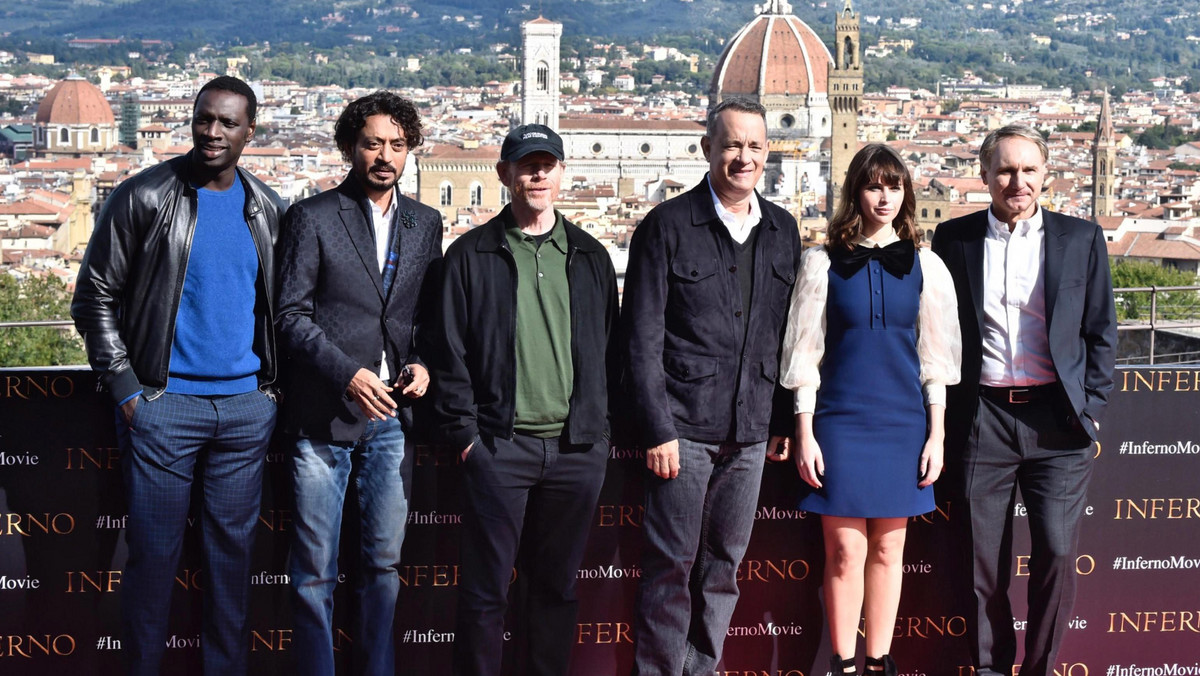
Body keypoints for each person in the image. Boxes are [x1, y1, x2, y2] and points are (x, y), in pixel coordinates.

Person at [71, 75, 285, 675]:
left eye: (226, 123)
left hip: (245, 412)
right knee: (153, 561)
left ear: (250, 131)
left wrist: (267, 396)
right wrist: (130, 395)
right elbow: (94, 299)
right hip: (165, 409)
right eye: (203, 119)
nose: (212, 132)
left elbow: (279, 309)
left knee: (232, 564)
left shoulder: (266, 207)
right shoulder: (143, 196)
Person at [430, 124, 619, 676]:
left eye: (547, 164)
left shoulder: (590, 257)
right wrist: (467, 437)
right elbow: (449, 350)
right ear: (504, 174)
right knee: (485, 594)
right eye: (526, 164)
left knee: (557, 591)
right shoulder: (470, 255)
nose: (538, 174)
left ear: (563, 174)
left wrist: (598, 433)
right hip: (498, 446)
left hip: (575, 450)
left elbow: (610, 351)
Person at [622, 97, 802, 675]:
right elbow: (641, 338)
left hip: (749, 436)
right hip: (681, 432)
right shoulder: (667, 226)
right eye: (731, 144)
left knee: (724, 568)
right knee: (670, 566)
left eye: (753, 146)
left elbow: (786, 336)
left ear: (767, 152)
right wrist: (657, 428)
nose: (743, 157)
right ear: (707, 149)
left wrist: (779, 422)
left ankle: (702, 670)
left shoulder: (782, 230)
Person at [931, 124, 1117, 676]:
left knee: (1058, 553)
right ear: (985, 176)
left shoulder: (1080, 239)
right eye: (1006, 170)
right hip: (981, 416)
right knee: (980, 563)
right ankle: (990, 669)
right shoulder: (954, 240)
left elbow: (1101, 330)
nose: (1018, 181)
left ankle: (1039, 669)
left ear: (1046, 175)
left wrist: (1091, 407)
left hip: (1058, 421)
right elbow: (939, 331)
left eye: (1029, 170)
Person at [274, 91, 443, 676]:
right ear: (351, 146)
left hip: (393, 419)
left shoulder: (426, 223)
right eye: (373, 143)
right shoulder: (312, 217)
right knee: (314, 572)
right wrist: (347, 374)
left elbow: (423, 318)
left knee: (382, 567)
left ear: (410, 150)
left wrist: (421, 362)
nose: (385, 155)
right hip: (323, 418)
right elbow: (289, 317)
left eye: (397, 145)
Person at [779, 144, 961, 676]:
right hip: (838, 425)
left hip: (905, 426)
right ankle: (842, 664)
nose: (885, 196)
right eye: (874, 185)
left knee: (888, 554)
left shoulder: (926, 265)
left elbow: (936, 361)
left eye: (894, 186)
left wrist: (938, 435)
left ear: (905, 194)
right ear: (855, 192)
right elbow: (803, 358)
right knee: (843, 555)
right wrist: (805, 433)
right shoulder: (821, 262)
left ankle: (879, 664)